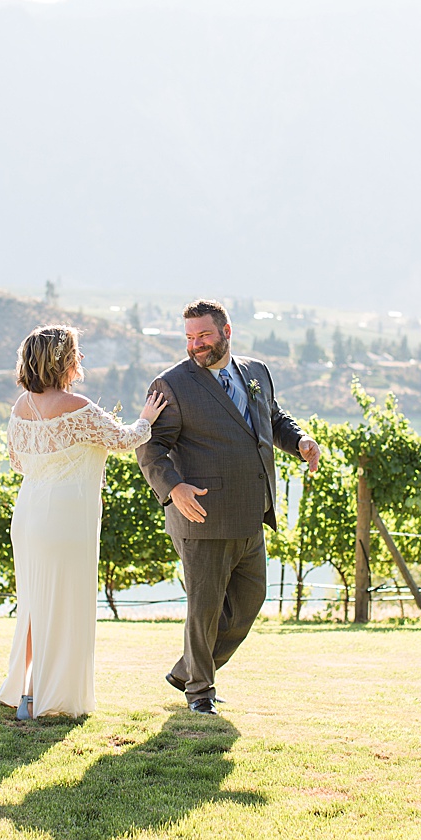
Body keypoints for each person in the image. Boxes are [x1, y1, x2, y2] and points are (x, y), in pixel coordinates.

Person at [137, 300, 320, 715]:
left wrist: (299, 440)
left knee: (250, 601)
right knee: (203, 610)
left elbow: (272, 418)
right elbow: (151, 446)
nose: (196, 345)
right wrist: (174, 489)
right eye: (189, 337)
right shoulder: (170, 385)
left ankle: (187, 670)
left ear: (226, 332)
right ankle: (199, 692)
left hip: (251, 511)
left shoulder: (256, 372)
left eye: (203, 335)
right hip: (200, 515)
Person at [0, 324, 168, 719]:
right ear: (63, 360)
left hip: (28, 515)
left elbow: (17, 462)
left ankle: (25, 692)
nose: (81, 359)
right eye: (76, 351)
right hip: (67, 517)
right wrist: (146, 418)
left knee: (35, 605)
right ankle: (54, 699)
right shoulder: (78, 407)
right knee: (67, 604)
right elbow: (125, 440)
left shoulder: (20, 407)